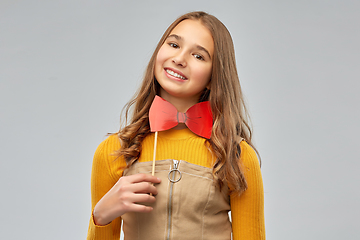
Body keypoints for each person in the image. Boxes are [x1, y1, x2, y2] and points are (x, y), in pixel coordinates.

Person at [87, 11, 265, 240]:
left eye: (199, 56)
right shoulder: (113, 151)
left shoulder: (237, 157)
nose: (180, 59)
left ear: (214, 76)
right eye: (173, 44)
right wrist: (101, 216)